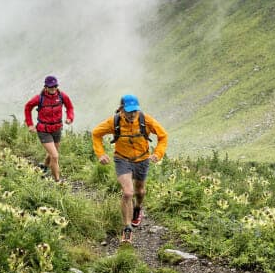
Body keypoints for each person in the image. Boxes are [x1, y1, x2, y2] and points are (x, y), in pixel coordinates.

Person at [91, 94, 168, 243]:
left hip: (143, 159)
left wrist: (158, 154)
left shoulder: (145, 120)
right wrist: (100, 154)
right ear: (121, 109)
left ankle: (138, 208)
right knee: (127, 192)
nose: (132, 114)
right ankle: (127, 229)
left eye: (135, 111)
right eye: (129, 111)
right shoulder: (114, 121)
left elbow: (163, 136)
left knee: (140, 191)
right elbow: (96, 134)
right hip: (122, 159)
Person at [24, 75, 74, 182]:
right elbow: (28, 107)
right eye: (51, 87)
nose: (53, 89)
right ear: (45, 87)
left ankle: (44, 167)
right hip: (43, 130)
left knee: (52, 152)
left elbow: (70, 107)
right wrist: (30, 124)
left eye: (55, 86)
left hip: (57, 129)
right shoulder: (39, 98)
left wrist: (70, 117)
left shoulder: (61, 96)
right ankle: (57, 181)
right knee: (55, 156)